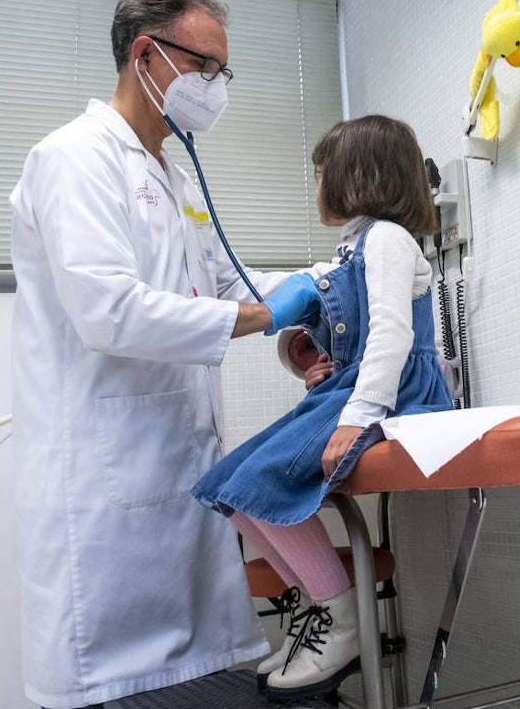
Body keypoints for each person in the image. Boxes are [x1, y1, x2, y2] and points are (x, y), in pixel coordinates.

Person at [9, 0, 321, 709]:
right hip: (104, 507)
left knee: (212, 684)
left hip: (176, 489)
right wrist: (265, 319)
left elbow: (223, 287)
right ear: (147, 55)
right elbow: (107, 311)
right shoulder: (74, 158)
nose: (217, 87)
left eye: (222, 72)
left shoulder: (172, 177)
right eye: (207, 67)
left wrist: (324, 285)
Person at [191, 114, 455, 701]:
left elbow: (391, 334)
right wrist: (304, 358)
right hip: (357, 387)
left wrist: (360, 414)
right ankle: (321, 606)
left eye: (320, 174)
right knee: (225, 486)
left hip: (395, 396)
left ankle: (340, 617)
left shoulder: (387, 239)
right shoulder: (352, 248)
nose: (316, 186)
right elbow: (329, 330)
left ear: (355, 176)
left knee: (253, 478)